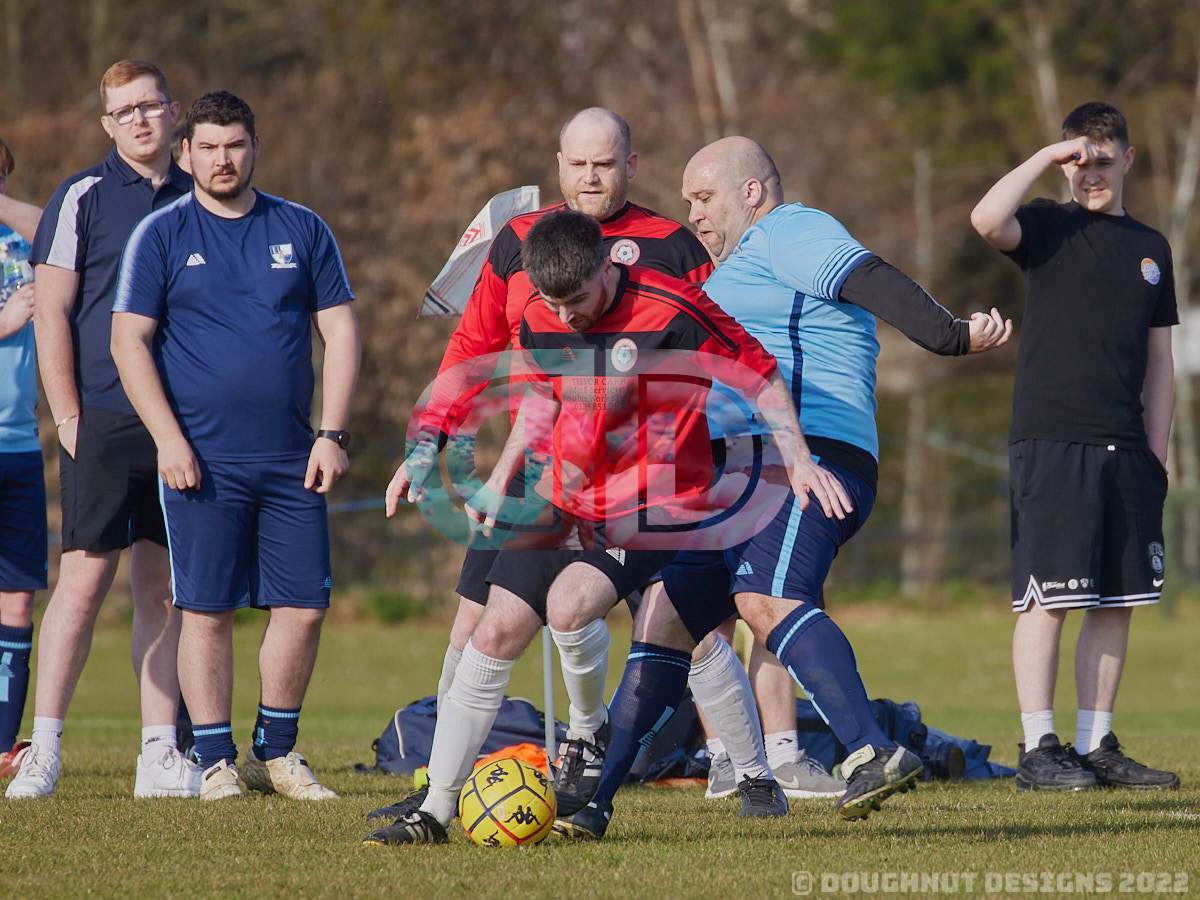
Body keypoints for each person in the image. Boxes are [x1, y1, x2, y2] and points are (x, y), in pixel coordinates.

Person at [554, 136, 1012, 839]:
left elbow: (871, 277)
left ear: (752, 192)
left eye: (704, 197)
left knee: (766, 597)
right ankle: (595, 804)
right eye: (686, 201)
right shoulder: (725, 274)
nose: (693, 214)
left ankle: (873, 750)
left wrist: (948, 335)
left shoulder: (789, 230)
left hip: (806, 454)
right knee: (665, 620)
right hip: (730, 472)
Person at [373, 108, 794, 821]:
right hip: (546, 467)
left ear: (631, 165)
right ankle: (438, 794)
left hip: (656, 486)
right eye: (578, 164)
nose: (591, 177)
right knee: (483, 623)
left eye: (605, 163)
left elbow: (729, 354)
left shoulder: (673, 249)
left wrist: (745, 461)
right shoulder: (518, 243)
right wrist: (432, 447)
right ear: (559, 165)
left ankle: (738, 766)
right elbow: (477, 349)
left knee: (684, 631)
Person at [111, 91, 361, 801]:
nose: (224, 159)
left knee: (304, 607)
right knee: (206, 609)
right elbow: (127, 341)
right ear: (186, 153)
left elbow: (340, 330)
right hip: (200, 462)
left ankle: (274, 752)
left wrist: (331, 434)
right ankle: (216, 760)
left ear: (255, 148)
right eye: (210, 147)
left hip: (292, 458)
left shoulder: (302, 228)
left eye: (236, 145)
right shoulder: (161, 234)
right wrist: (168, 440)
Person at [970, 102, 1179, 792]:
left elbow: (1160, 363)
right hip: (1053, 439)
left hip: (1127, 448)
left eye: (1104, 160)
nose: (1092, 173)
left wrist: (1157, 454)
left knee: (1115, 600)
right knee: (1049, 598)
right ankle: (1039, 747)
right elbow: (985, 220)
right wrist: (1043, 158)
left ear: (1129, 160)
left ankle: (1095, 744)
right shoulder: (1046, 227)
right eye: (1079, 161)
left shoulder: (1152, 248)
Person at [7, 59, 196, 800]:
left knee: (162, 588)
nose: (140, 119)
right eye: (125, 111)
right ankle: (44, 749)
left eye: (150, 105)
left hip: (185, 424)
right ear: (107, 124)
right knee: (83, 582)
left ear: (173, 112)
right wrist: (67, 414)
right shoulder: (80, 196)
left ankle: (160, 752)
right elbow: (51, 311)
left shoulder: (201, 194)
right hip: (104, 418)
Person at [0, 139, 44, 779]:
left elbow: (64, 232)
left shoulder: (21, 239)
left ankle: (4, 745)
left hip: (19, 444)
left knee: (16, 601)